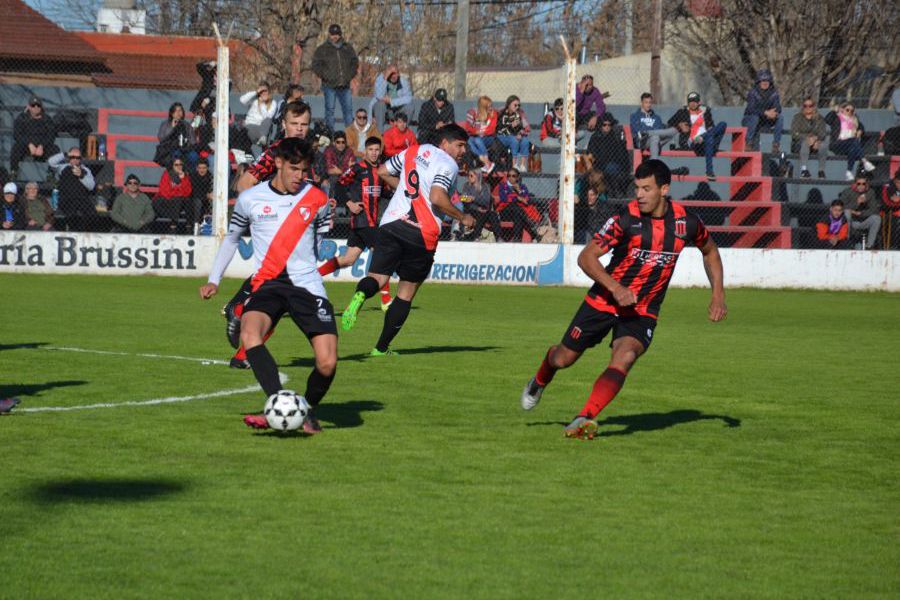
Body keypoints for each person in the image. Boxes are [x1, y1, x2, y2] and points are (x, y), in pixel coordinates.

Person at [520, 159, 727, 439]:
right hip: (604, 300)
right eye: (637, 188)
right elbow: (586, 258)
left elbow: (710, 251)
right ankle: (541, 377)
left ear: (664, 189)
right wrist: (616, 288)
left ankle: (585, 417)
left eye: (646, 188)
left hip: (643, 310)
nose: (639, 195)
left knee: (625, 356)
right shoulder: (624, 219)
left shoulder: (686, 223)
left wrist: (717, 294)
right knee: (563, 358)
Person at [199, 137, 336, 433]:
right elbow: (232, 239)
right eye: (295, 169)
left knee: (327, 363)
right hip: (269, 284)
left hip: (307, 285)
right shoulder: (250, 199)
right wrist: (214, 279)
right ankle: (279, 403)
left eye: (305, 170)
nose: (301, 176)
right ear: (278, 163)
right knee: (250, 334)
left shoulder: (318, 199)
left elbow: (319, 240)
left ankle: (307, 410)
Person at [340, 124, 475, 354]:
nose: (462, 151)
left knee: (377, 278)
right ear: (444, 143)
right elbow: (437, 196)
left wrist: (405, 188)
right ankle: (381, 348)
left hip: (391, 223)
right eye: (459, 145)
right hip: (421, 234)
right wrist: (462, 217)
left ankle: (360, 295)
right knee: (405, 293)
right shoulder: (447, 163)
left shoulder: (413, 150)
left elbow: (382, 171)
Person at [318, 136, 393, 309]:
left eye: (376, 150)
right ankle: (386, 300)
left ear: (380, 151)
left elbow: (381, 193)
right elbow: (339, 186)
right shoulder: (357, 168)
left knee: (348, 260)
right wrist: (349, 203)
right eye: (370, 150)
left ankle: (315, 275)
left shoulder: (381, 172)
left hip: (365, 223)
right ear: (365, 151)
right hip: (364, 221)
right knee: (382, 255)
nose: (374, 153)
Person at [236, 101, 312, 193]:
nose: (299, 129)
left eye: (304, 124)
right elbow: (244, 184)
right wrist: (265, 206)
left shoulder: (308, 150)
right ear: (284, 124)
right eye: (294, 124)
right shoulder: (275, 151)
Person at [667, 92, 728, 181]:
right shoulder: (682, 112)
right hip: (695, 143)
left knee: (723, 124)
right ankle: (709, 171)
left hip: (707, 140)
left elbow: (711, 126)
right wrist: (679, 125)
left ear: (699, 102)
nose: (692, 103)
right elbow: (669, 123)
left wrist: (708, 132)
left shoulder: (705, 111)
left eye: (695, 101)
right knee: (709, 138)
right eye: (690, 101)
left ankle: (703, 136)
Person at [311, 24, 359, 133]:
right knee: (330, 111)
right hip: (329, 86)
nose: (335, 37)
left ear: (340, 34)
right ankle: (330, 134)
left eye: (337, 34)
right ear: (329, 34)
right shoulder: (322, 49)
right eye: (333, 34)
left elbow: (354, 62)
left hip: (345, 85)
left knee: (348, 111)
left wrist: (349, 75)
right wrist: (325, 75)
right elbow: (315, 65)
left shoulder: (347, 47)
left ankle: (350, 135)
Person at [49, 147, 95, 232]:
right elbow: (51, 162)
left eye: (78, 158)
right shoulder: (62, 167)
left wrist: (81, 176)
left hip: (82, 199)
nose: (75, 160)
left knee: (91, 213)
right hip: (66, 198)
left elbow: (91, 186)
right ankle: (74, 231)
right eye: (72, 157)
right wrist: (65, 154)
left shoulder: (85, 170)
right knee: (71, 213)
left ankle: (82, 232)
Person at [825, 102, 876, 180]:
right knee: (854, 141)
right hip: (837, 144)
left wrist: (860, 130)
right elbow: (827, 120)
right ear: (842, 109)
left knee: (852, 149)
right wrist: (834, 111)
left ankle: (849, 172)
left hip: (849, 145)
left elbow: (861, 127)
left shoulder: (854, 120)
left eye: (851, 111)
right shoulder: (837, 117)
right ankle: (865, 161)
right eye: (847, 110)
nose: (849, 112)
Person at [10, 96, 58, 173]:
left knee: (55, 149)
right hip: (26, 147)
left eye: (38, 105)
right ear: (28, 106)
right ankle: (13, 172)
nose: (36, 107)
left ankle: (51, 175)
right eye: (33, 105)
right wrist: (29, 144)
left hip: (42, 149)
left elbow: (51, 135)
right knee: (16, 148)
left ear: (41, 107)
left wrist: (42, 145)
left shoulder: (47, 119)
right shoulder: (22, 118)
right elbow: (17, 134)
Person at [587, 113, 631, 196]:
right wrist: (591, 168)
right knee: (585, 173)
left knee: (611, 169)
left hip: (613, 165)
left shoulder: (615, 137)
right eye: (604, 124)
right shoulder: (595, 137)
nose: (607, 126)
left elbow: (622, 157)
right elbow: (590, 154)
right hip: (598, 165)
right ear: (600, 125)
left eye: (609, 125)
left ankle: (614, 193)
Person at [742, 69, 783, 152]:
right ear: (758, 81)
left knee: (780, 117)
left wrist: (773, 113)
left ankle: (776, 145)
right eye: (763, 80)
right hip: (750, 120)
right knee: (754, 117)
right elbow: (751, 109)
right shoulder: (753, 92)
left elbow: (778, 108)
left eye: (767, 80)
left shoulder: (774, 93)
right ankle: (748, 143)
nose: (765, 83)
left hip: (765, 120)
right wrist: (765, 112)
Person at [495, 168, 540, 242]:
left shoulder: (522, 187)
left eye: (513, 176)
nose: (510, 178)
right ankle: (533, 231)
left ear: (518, 177)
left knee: (517, 214)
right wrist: (517, 198)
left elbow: (527, 200)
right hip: (505, 211)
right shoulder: (502, 186)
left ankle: (517, 239)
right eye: (509, 176)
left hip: (518, 213)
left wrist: (519, 190)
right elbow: (504, 198)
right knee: (515, 207)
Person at [790, 97, 831, 179]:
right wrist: (807, 138)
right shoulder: (798, 117)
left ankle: (821, 171)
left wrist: (816, 139)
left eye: (810, 105)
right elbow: (794, 134)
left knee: (823, 145)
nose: (808, 108)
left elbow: (822, 133)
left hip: (815, 143)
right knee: (805, 143)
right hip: (799, 144)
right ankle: (804, 170)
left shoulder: (819, 118)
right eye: (805, 106)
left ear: (814, 106)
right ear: (803, 107)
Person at [629, 92, 678, 159]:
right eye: (646, 102)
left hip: (656, 140)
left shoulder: (656, 117)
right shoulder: (635, 116)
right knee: (655, 137)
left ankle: (654, 144)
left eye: (650, 102)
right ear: (641, 103)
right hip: (643, 141)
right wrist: (651, 131)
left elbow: (659, 130)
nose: (648, 105)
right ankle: (654, 162)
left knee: (673, 131)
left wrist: (648, 131)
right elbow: (638, 130)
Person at [457, 169, 500, 241]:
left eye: (471, 176)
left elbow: (486, 201)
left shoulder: (486, 186)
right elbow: (463, 199)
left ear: (477, 176)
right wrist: (477, 207)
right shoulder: (466, 186)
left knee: (493, 215)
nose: (469, 177)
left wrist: (474, 199)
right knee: (481, 214)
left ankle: (498, 237)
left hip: (485, 210)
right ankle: (476, 236)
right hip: (472, 209)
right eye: (468, 176)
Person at [839, 176, 880, 249]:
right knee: (847, 212)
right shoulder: (847, 191)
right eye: (859, 184)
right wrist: (856, 203)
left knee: (876, 218)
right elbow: (840, 207)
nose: (861, 186)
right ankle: (846, 242)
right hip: (851, 222)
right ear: (855, 184)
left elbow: (874, 210)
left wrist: (860, 213)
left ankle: (869, 246)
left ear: (866, 184)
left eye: (863, 184)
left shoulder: (870, 192)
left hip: (864, 220)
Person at [153, 158, 192, 234]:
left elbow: (188, 192)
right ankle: (173, 226)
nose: (178, 166)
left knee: (187, 201)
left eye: (180, 164)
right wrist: (179, 192)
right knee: (177, 199)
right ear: (172, 166)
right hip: (165, 200)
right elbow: (165, 192)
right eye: (176, 165)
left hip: (178, 201)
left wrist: (183, 179)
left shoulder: (185, 175)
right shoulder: (167, 174)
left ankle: (189, 227)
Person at [494, 95, 532, 173]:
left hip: (514, 135)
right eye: (515, 105)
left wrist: (521, 133)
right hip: (503, 135)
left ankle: (522, 165)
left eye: (519, 105)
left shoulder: (519, 114)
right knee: (514, 140)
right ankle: (514, 165)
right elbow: (500, 128)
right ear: (509, 104)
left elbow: (525, 127)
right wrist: (511, 126)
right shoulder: (501, 113)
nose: (517, 107)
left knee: (525, 141)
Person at [464, 96, 499, 173]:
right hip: (475, 137)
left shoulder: (493, 113)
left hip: (488, 138)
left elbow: (492, 129)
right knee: (469, 141)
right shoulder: (473, 112)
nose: (491, 108)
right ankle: (486, 162)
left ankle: (485, 162)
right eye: (489, 106)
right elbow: (468, 128)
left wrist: (482, 133)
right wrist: (476, 132)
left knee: (476, 140)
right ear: (483, 107)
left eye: (491, 105)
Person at [155, 102, 193, 167]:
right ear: (172, 113)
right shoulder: (165, 124)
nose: (178, 113)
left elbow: (192, 140)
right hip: (169, 149)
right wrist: (172, 127)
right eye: (176, 111)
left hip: (184, 149)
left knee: (193, 156)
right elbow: (161, 138)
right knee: (176, 155)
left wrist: (187, 145)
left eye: (180, 110)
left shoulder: (186, 125)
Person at [239, 81, 278, 146]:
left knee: (268, 120)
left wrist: (262, 104)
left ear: (269, 91)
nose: (263, 93)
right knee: (250, 128)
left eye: (265, 91)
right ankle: (260, 140)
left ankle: (262, 140)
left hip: (263, 129)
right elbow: (242, 100)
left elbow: (268, 116)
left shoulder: (273, 103)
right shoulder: (254, 100)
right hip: (251, 126)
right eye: (261, 91)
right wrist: (256, 92)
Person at [880, 168, 900, 250]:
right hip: (890, 213)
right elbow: (888, 203)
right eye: (898, 182)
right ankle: (893, 247)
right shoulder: (888, 187)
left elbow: (895, 201)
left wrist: (898, 200)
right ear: (895, 181)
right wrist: (896, 202)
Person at [190, 159, 214, 224]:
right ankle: (196, 224)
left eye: (204, 168)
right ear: (197, 168)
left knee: (213, 201)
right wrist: (207, 195)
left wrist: (210, 194)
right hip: (194, 198)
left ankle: (209, 224)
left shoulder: (210, 176)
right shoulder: (193, 176)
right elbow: (194, 191)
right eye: (200, 168)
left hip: (207, 198)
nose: (202, 170)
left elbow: (211, 189)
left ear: (207, 168)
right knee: (198, 202)